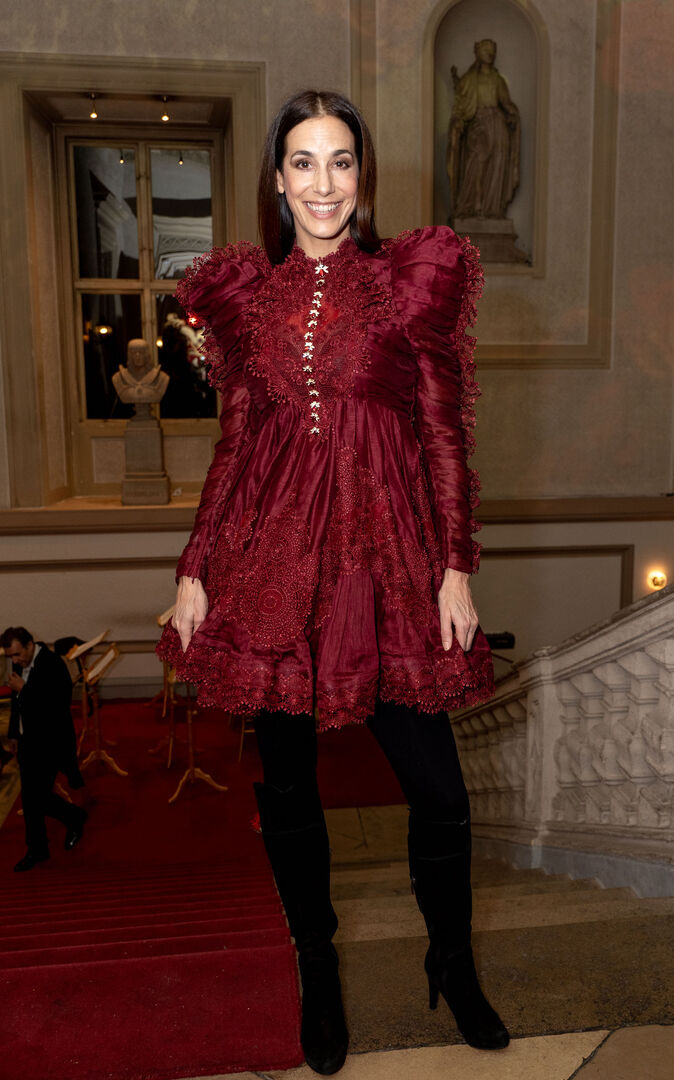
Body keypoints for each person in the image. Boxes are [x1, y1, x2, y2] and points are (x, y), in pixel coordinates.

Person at [157, 89, 507, 1075]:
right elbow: (235, 451)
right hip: (273, 564)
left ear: (363, 175)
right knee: (292, 789)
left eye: (340, 161)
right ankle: (317, 963)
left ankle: (451, 956)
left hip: (389, 559)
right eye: (303, 163)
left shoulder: (407, 282)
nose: (323, 183)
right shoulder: (243, 297)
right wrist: (195, 572)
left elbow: (441, 431)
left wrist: (453, 567)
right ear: (276, 178)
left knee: (438, 793)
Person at [1, 627, 86, 872]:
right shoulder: (20, 663)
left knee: (36, 797)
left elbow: (55, 708)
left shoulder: (53, 665)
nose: (15, 661)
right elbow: (16, 704)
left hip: (51, 742)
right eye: (10, 657)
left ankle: (73, 819)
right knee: (31, 798)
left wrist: (24, 690)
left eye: (17, 654)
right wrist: (14, 735)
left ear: (30, 645)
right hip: (28, 741)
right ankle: (39, 848)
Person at [447, 39, 520, 220]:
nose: (490, 53)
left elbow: (507, 103)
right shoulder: (470, 79)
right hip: (478, 125)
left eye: (493, 50)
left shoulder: (497, 80)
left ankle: (491, 209)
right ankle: (471, 206)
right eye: (486, 49)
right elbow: (461, 105)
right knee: (475, 163)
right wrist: (459, 122)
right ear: (477, 52)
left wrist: (513, 115)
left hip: (497, 126)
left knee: (496, 165)